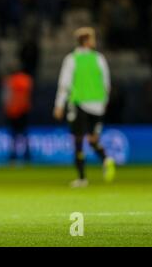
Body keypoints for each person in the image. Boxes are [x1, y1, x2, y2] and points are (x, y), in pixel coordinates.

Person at [53, 27, 116, 188]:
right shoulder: (99, 58)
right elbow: (106, 83)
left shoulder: (72, 59)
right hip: (98, 105)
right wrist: (104, 102)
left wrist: (59, 105)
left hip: (79, 103)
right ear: (87, 41)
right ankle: (106, 159)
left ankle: (82, 178)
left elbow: (64, 84)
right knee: (93, 139)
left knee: (78, 140)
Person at [2, 65, 33, 164]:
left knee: (14, 134)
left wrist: (6, 108)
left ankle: (13, 156)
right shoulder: (26, 80)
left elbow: (6, 96)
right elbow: (29, 94)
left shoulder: (9, 81)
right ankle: (27, 155)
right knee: (24, 133)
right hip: (24, 109)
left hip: (13, 110)